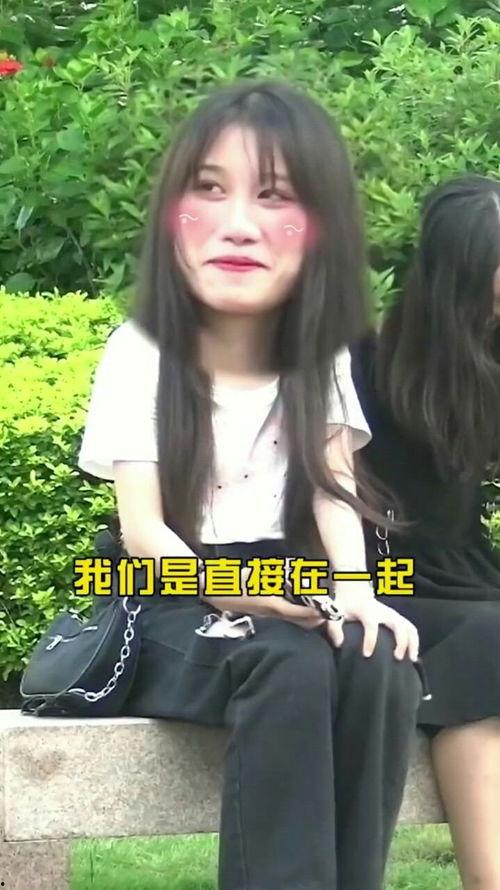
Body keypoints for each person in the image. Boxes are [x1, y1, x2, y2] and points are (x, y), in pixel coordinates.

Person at [77, 77, 422, 890]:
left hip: (280, 578)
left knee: (375, 659)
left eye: (274, 196)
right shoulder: (142, 348)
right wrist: (243, 594)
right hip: (165, 589)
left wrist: (358, 595)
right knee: (287, 663)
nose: (238, 223)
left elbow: (333, 486)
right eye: (209, 189)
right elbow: (142, 533)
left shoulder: (317, 352)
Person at [351, 175, 500, 890]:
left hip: (465, 575)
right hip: (386, 577)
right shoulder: (366, 360)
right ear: (468, 268)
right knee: (490, 639)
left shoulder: (491, 351)